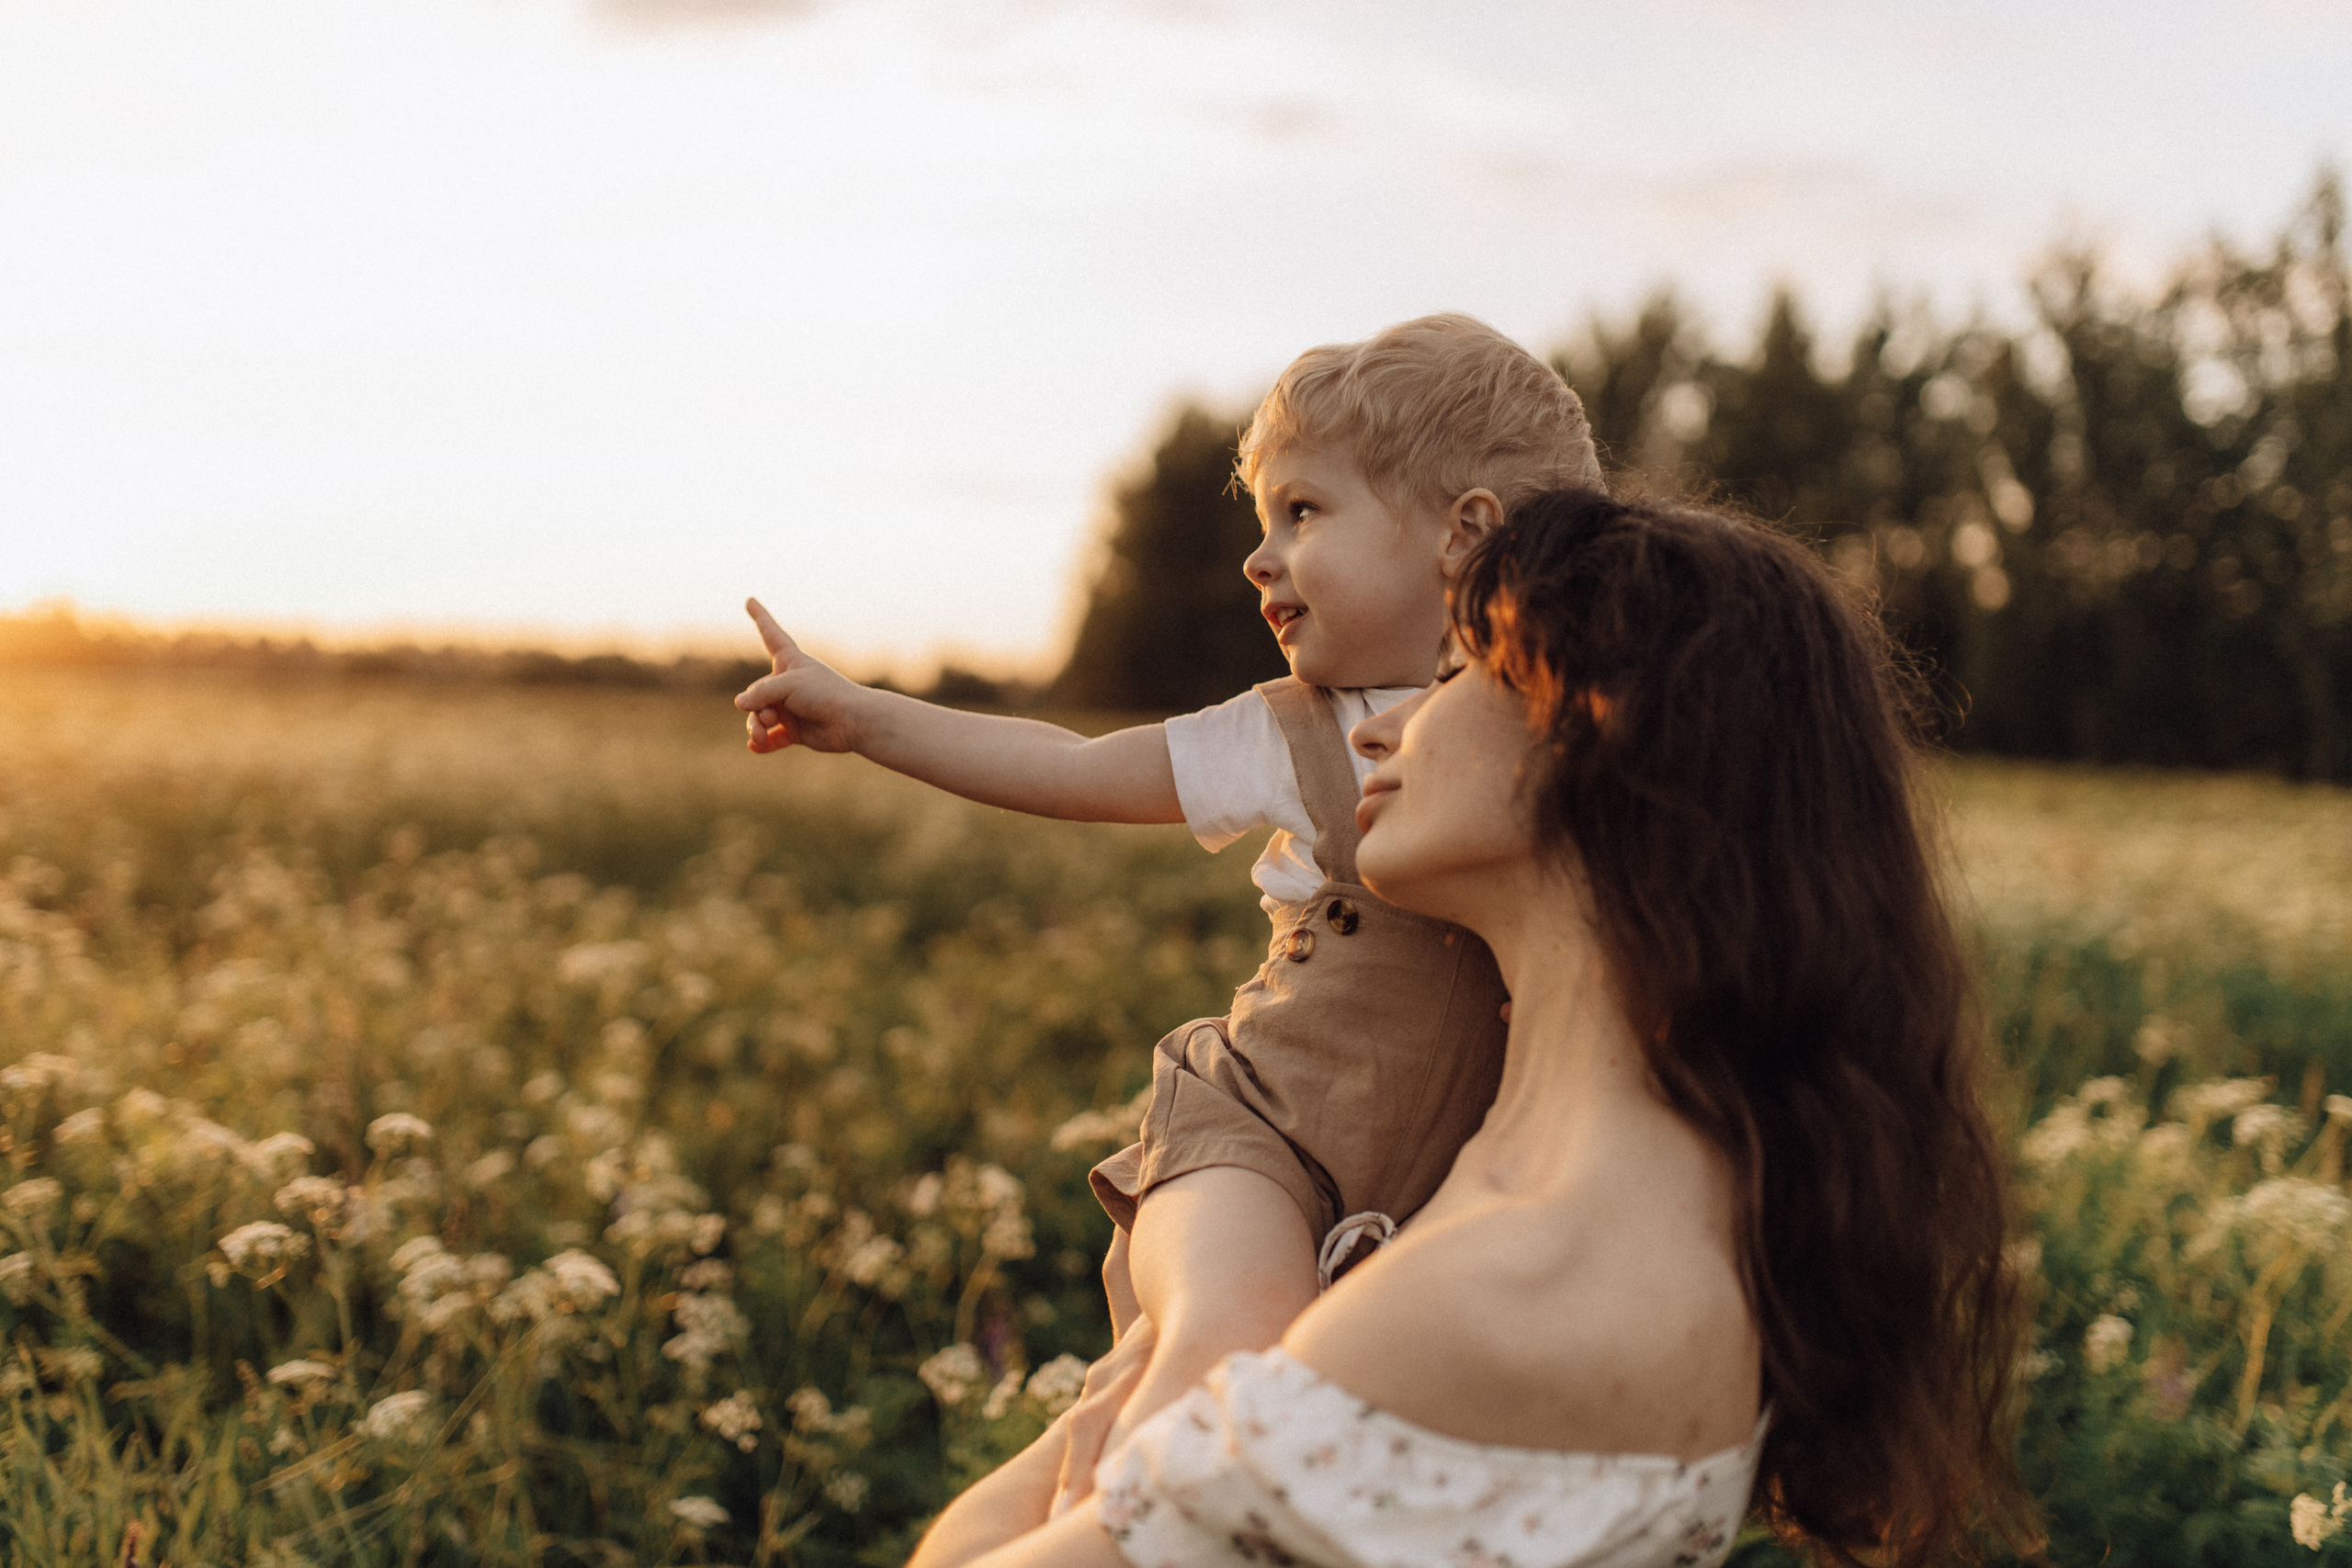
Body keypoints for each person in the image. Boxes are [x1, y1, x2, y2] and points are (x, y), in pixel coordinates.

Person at [904, 489, 2034, 1568]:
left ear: (1602, 728)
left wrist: (1186, 1348)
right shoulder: (1692, 1195)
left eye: (1453, 672)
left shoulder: (1498, 1297)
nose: (1378, 729)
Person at [734, 316, 1606, 1491]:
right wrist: (866, 716)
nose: (1258, 558)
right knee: (1220, 1354)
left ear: (1467, 536)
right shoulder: (1294, 729)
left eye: (1302, 512)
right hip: (1260, 1142)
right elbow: (1080, 769)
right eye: (1263, 524)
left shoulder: (1584, 739)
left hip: (1450, 1194)